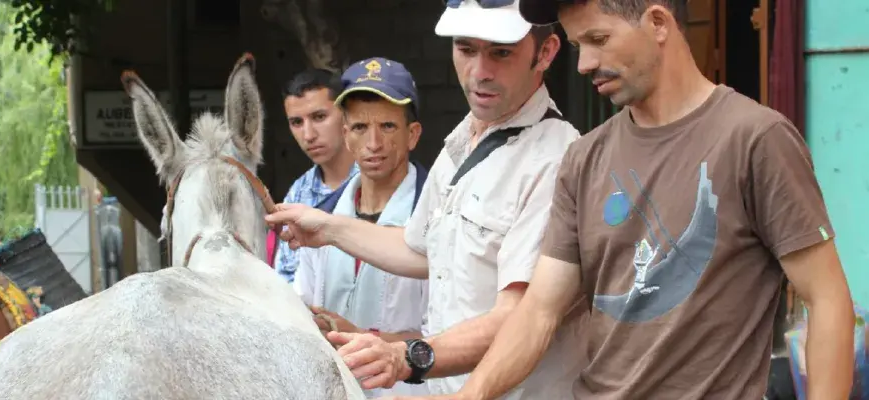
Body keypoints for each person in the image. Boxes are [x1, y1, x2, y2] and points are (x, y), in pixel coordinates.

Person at [449, 0, 857, 399]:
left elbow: (826, 299)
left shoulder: (754, 140)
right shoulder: (584, 158)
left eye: (598, 38)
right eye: (578, 46)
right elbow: (539, 311)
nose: (583, 64)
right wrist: (469, 396)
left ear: (658, 23)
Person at [265, 1, 585, 398]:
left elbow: (522, 316)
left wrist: (405, 357)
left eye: (501, 52)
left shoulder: (556, 157)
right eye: (466, 49)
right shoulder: (463, 139)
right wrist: (327, 227)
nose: (480, 72)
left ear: (546, 52)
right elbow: (422, 250)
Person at [294, 57, 432, 398]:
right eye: (359, 128)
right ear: (346, 135)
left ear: (412, 135)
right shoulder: (320, 217)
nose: (373, 143)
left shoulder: (435, 219)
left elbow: (452, 335)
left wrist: (363, 337)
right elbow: (302, 308)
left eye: (387, 126)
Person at [275, 69, 360, 282]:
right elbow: (286, 277)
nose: (308, 135)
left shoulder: (376, 179)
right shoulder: (298, 193)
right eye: (297, 122)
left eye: (319, 117)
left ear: (346, 114)